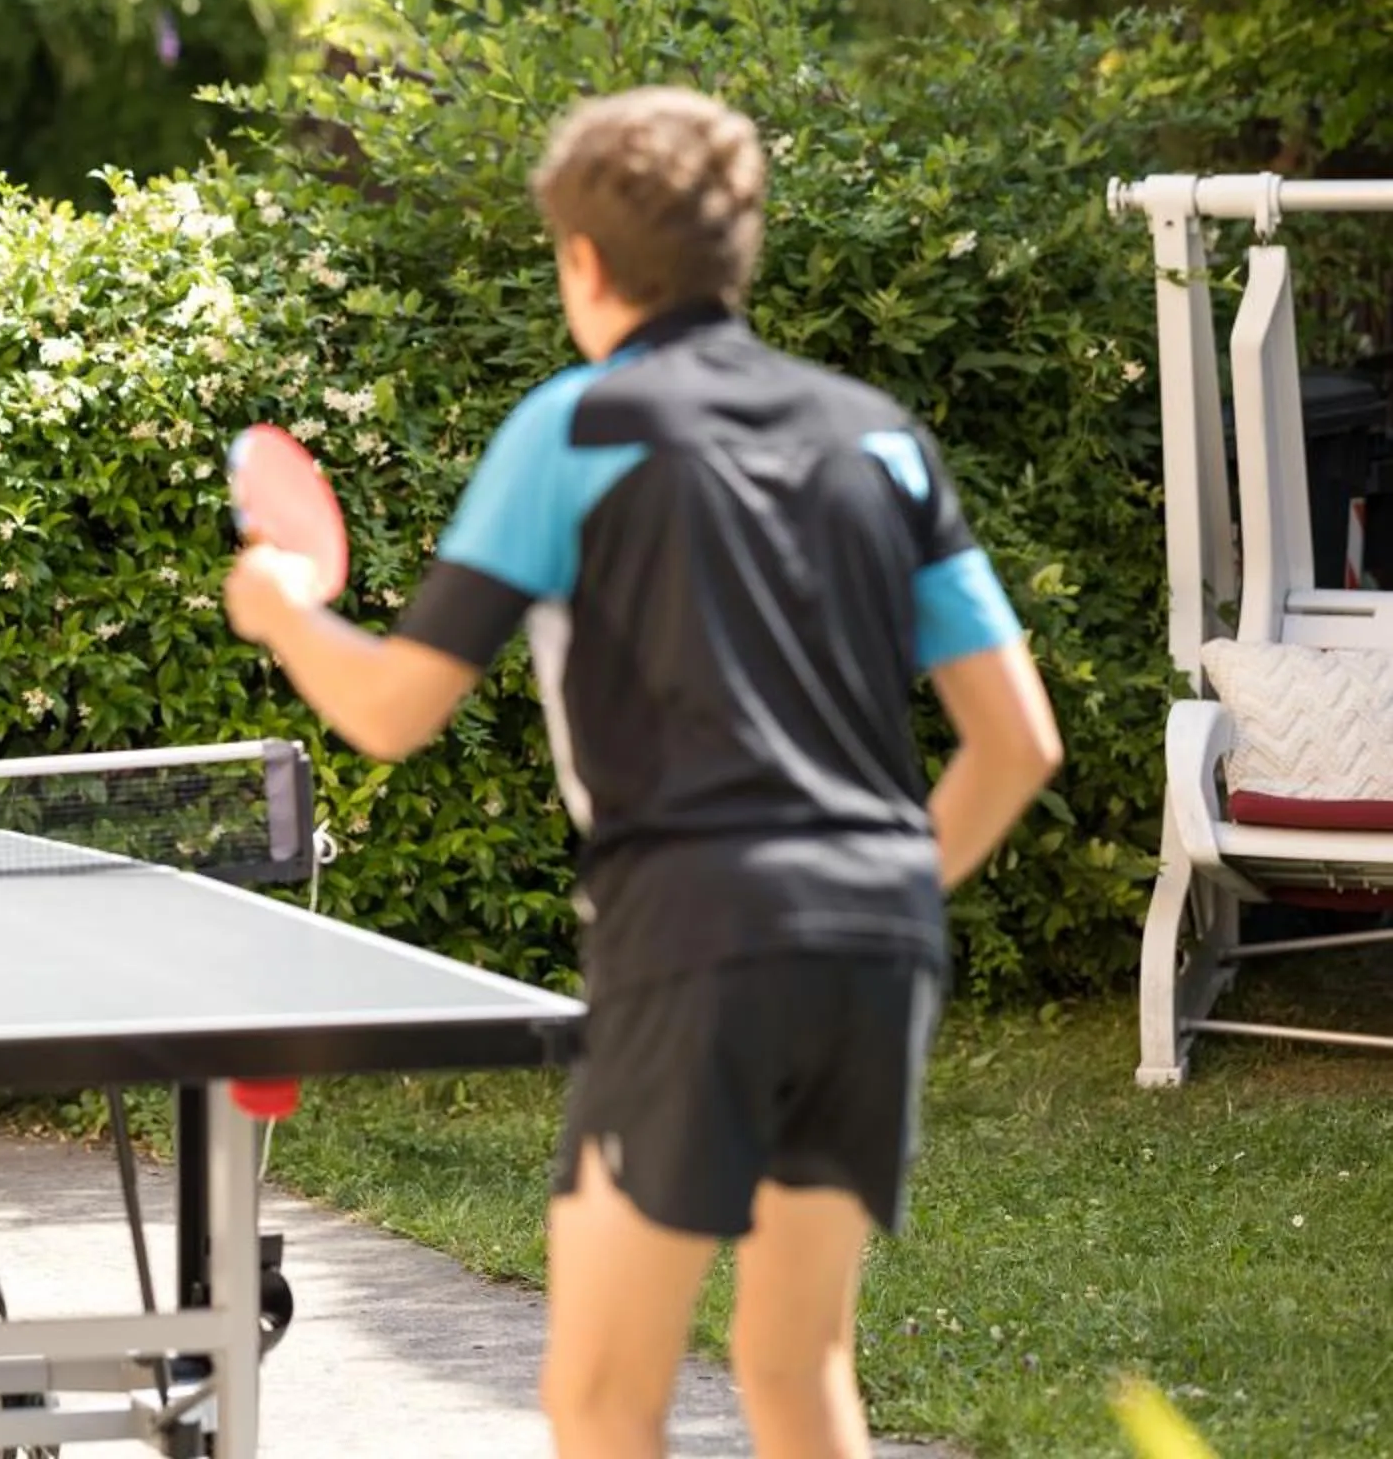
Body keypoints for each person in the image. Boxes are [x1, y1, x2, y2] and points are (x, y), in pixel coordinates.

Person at [221, 86, 1064, 1459]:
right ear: (746, 249)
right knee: (798, 1373)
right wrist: (875, 889)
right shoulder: (878, 438)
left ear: (582, 260)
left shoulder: (578, 431)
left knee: (606, 1401)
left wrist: (282, 612)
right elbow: (1018, 741)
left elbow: (389, 709)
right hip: (876, 942)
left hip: (697, 937)